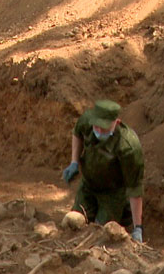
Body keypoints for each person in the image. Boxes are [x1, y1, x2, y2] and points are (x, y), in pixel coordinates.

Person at [62, 100, 145, 242]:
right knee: (73, 224)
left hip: (112, 194)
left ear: (117, 123)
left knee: (100, 234)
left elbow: (134, 188)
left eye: (104, 129)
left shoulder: (128, 147)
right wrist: (74, 162)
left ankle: (125, 215)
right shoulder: (88, 120)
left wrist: (138, 227)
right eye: (97, 127)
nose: (99, 131)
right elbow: (77, 133)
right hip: (88, 186)